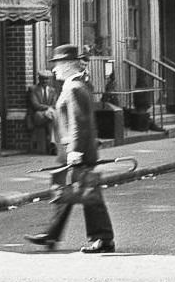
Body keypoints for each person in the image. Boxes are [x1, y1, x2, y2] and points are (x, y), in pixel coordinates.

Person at [24, 44, 116, 254]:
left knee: (88, 195)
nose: (54, 70)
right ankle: (52, 235)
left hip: (77, 153)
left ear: (67, 65)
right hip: (74, 152)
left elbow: (79, 121)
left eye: (57, 64)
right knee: (67, 192)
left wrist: (75, 151)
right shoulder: (76, 85)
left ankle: (103, 238)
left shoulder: (73, 88)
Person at [26, 70, 57, 153]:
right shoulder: (33, 89)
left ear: (49, 80)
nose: (44, 81)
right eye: (42, 79)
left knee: (52, 119)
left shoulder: (52, 90)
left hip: (49, 115)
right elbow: (35, 105)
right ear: (39, 79)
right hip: (37, 115)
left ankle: (53, 143)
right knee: (54, 117)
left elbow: (54, 104)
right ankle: (55, 144)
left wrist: (50, 110)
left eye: (46, 79)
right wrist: (49, 109)